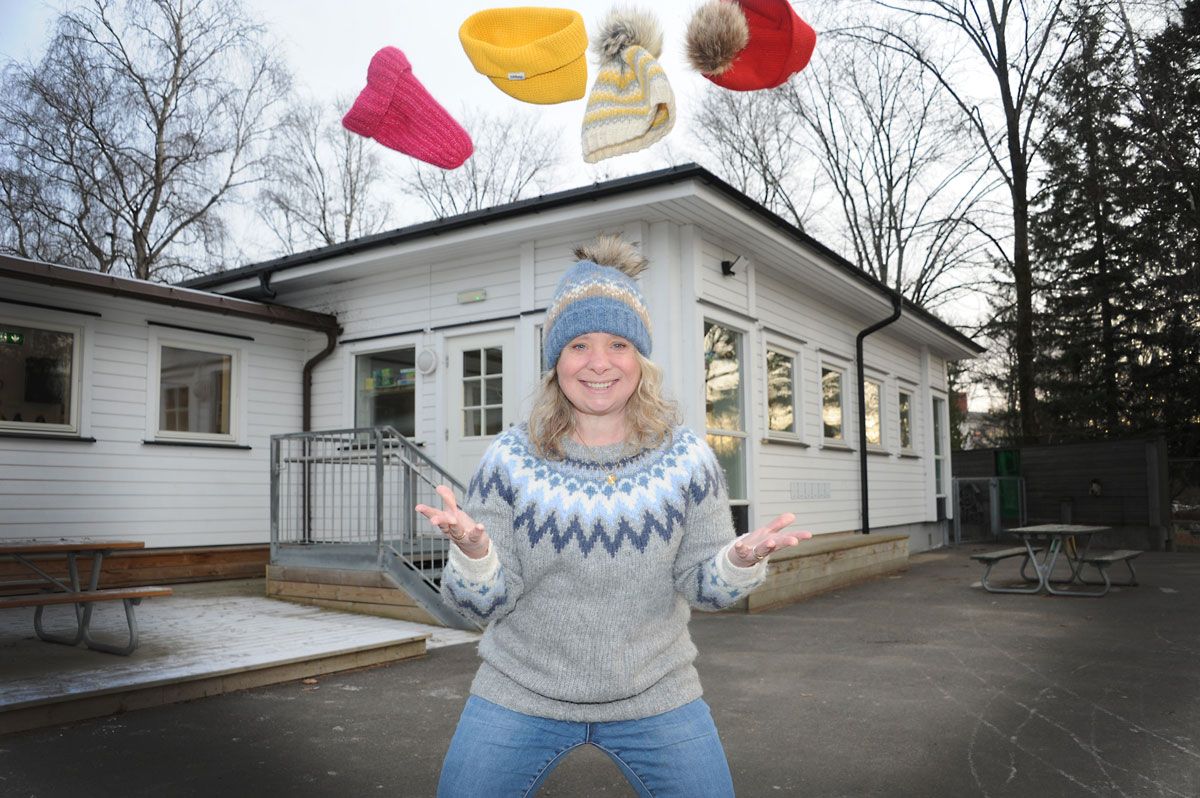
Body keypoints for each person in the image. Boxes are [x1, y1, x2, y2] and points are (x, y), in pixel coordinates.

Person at [416, 235, 811, 798]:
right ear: (556, 361)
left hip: (656, 691)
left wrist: (739, 560)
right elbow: (480, 604)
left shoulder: (686, 457)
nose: (598, 363)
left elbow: (705, 588)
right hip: (520, 689)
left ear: (640, 360)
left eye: (618, 344)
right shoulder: (510, 459)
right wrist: (476, 556)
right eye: (579, 344)